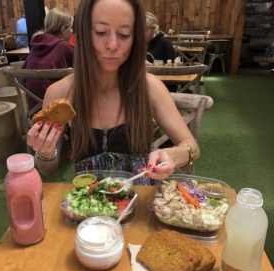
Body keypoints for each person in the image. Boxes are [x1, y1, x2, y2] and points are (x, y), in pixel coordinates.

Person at [27, 0, 200, 185]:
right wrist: (45, 153)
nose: (113, 45)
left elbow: (192, 147)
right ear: (84, 33)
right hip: (88, 206)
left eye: (124, 34)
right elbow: (47, 170)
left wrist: (174, 155)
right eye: (101, 32)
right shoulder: (60, 93)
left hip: (139, 200)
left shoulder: (149, 87)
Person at [22, 8, 74, 113]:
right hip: (58, 112)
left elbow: (23, 75)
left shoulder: (35, 46)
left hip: (35, 112)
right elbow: (85, 70)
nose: (72, 31)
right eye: (71, 27)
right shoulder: (65, 47)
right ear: (63, 30)